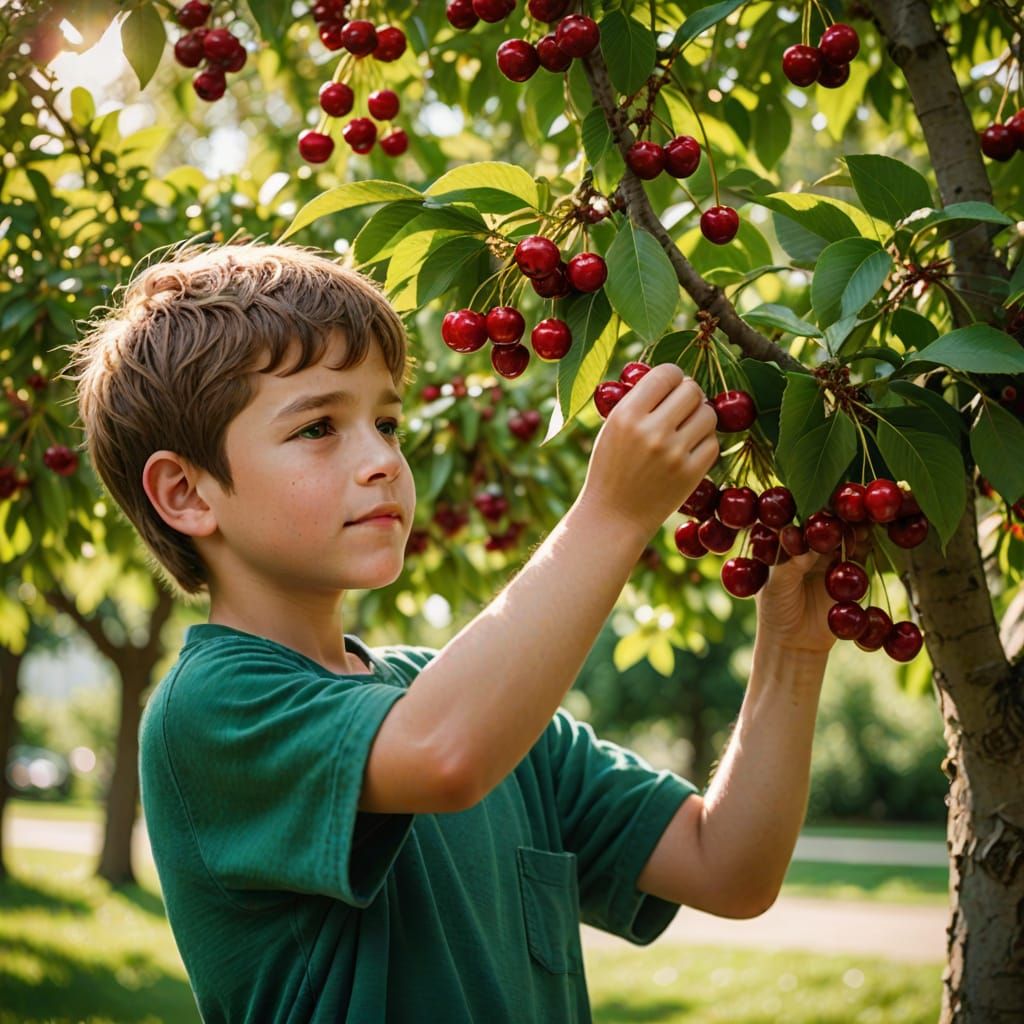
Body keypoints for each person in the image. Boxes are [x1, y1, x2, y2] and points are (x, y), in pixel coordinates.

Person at [66, 241, 836, 1023]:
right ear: (186, 493)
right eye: (317, 429)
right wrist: (614, 513)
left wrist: (794, 652)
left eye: (388, 421)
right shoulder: (213, 709)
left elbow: (730, 868)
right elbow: (443, 754)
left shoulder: (495, 720)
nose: (382, 461)